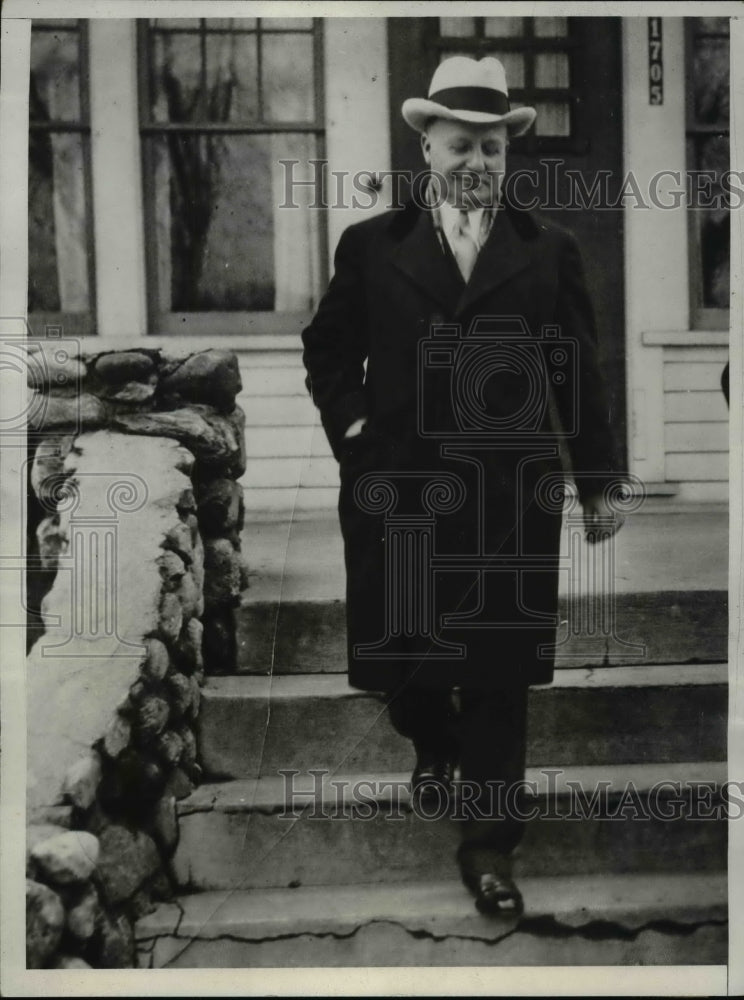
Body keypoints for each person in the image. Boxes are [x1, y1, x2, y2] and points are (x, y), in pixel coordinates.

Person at [301, 56, 625, 916]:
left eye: (491, 147)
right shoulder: (372, 244)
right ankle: (430, 742)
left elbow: (578, 375)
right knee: (402, 665)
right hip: (397, 489)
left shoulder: (546, 249)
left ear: (507, 153)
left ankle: (489, 850)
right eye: (459, 146)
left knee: (494, 673)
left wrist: (597, 482)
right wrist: (357, 431)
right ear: (427, 148)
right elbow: (328, 351)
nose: (476, 162)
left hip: (507, 497)